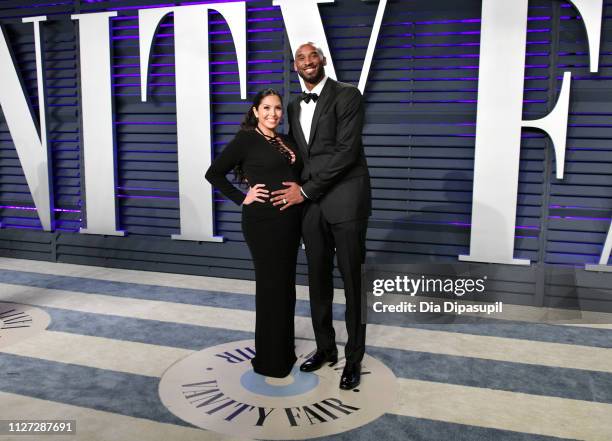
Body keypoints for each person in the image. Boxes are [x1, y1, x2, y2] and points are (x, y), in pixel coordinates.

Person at [270, 42, 371, 390]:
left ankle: (353, 358)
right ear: (295, 65)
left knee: (353, 283)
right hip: (311, 208)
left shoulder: (347, 95)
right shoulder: (295, 103)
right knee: (318, 280)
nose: (308, 61)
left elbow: (346, 152)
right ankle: (326, 348)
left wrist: (307, 190)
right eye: (301, 57)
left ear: (323, 60)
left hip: (345, 203)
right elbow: (298, 155)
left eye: (313, 56)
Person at [205, 89, 302, 378]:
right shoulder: (246, 139)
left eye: (277, 109)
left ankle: (284, 351)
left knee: (286, 287)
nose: (273, 113)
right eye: (267, 108)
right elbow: (214, 173)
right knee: (271, 288)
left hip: (290, 222)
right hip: (263, 223)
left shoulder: (286, 140)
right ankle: (271, 361)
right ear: (256, 111)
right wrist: (241, 197)